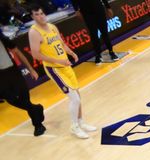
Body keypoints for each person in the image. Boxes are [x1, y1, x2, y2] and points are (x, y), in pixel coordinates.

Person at [27, 4, 96, 139]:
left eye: (41, 13)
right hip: (54, 69)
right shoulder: (34, 32)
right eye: (37, 14)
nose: (40, 16)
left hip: (65, 65)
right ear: (32, 17)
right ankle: (74, 127)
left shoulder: (52, 27)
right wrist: (58, 61)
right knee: (74, 98)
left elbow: (61, 43)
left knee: (77, 95)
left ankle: (81, 122)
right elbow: (35, 54)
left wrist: (71, 52)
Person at [0, 31, 45, 136]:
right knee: (11, 100)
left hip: (12, 71)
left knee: (24, 97)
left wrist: (30, 69)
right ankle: (36, 108)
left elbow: (17, 52)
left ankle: (38, 125)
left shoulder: (2, 38)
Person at [72, 0, 119, 64]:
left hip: (98, 9)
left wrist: (108, 7)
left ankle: (111, 52)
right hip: (86, 12)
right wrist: (76, 10)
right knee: (93, 34)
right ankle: (98, 55)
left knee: (104, 32)